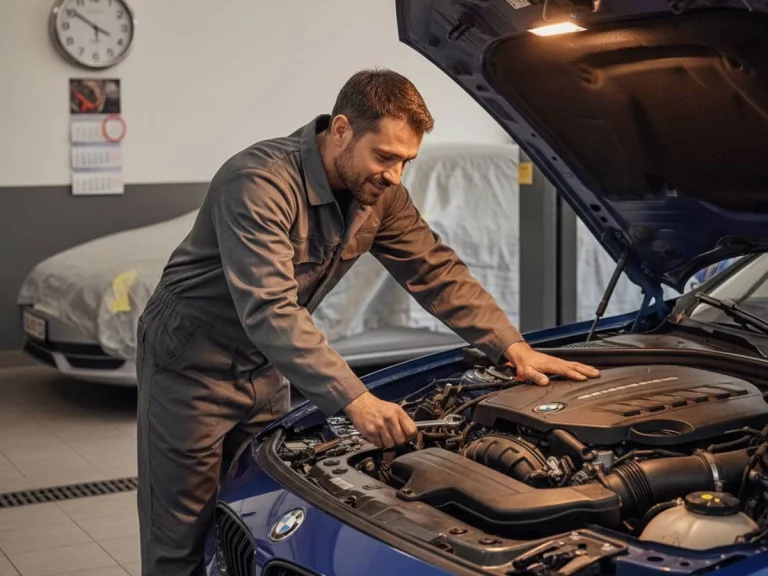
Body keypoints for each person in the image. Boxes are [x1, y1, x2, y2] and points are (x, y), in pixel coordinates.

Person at [135, 68, 600, 575]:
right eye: (385, 156)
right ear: (340, 131)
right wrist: (355, 400)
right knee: (181, 533)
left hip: (267, 366)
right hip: (191, 366)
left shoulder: (381, 196)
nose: (395, 174)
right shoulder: (259, 181)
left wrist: (512, 347)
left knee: (252, 513)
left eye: (406, 161)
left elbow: (436, 271)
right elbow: (269, 307)